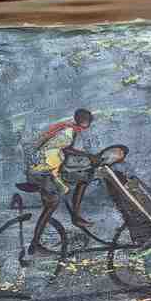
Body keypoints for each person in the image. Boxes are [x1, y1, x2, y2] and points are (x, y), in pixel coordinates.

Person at [27, 108, 95, 255]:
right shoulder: (68, 131)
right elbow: (66, 149)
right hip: (43, 170)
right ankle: (35, 244)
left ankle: (75, 216)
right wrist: (88, 156)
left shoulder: (69, 128)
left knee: (84, 177)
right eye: (87, 120)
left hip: (48, 166)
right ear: (83, 121)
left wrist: (83, 159)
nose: (88, 123)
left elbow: (63, 150)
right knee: (52, 204)